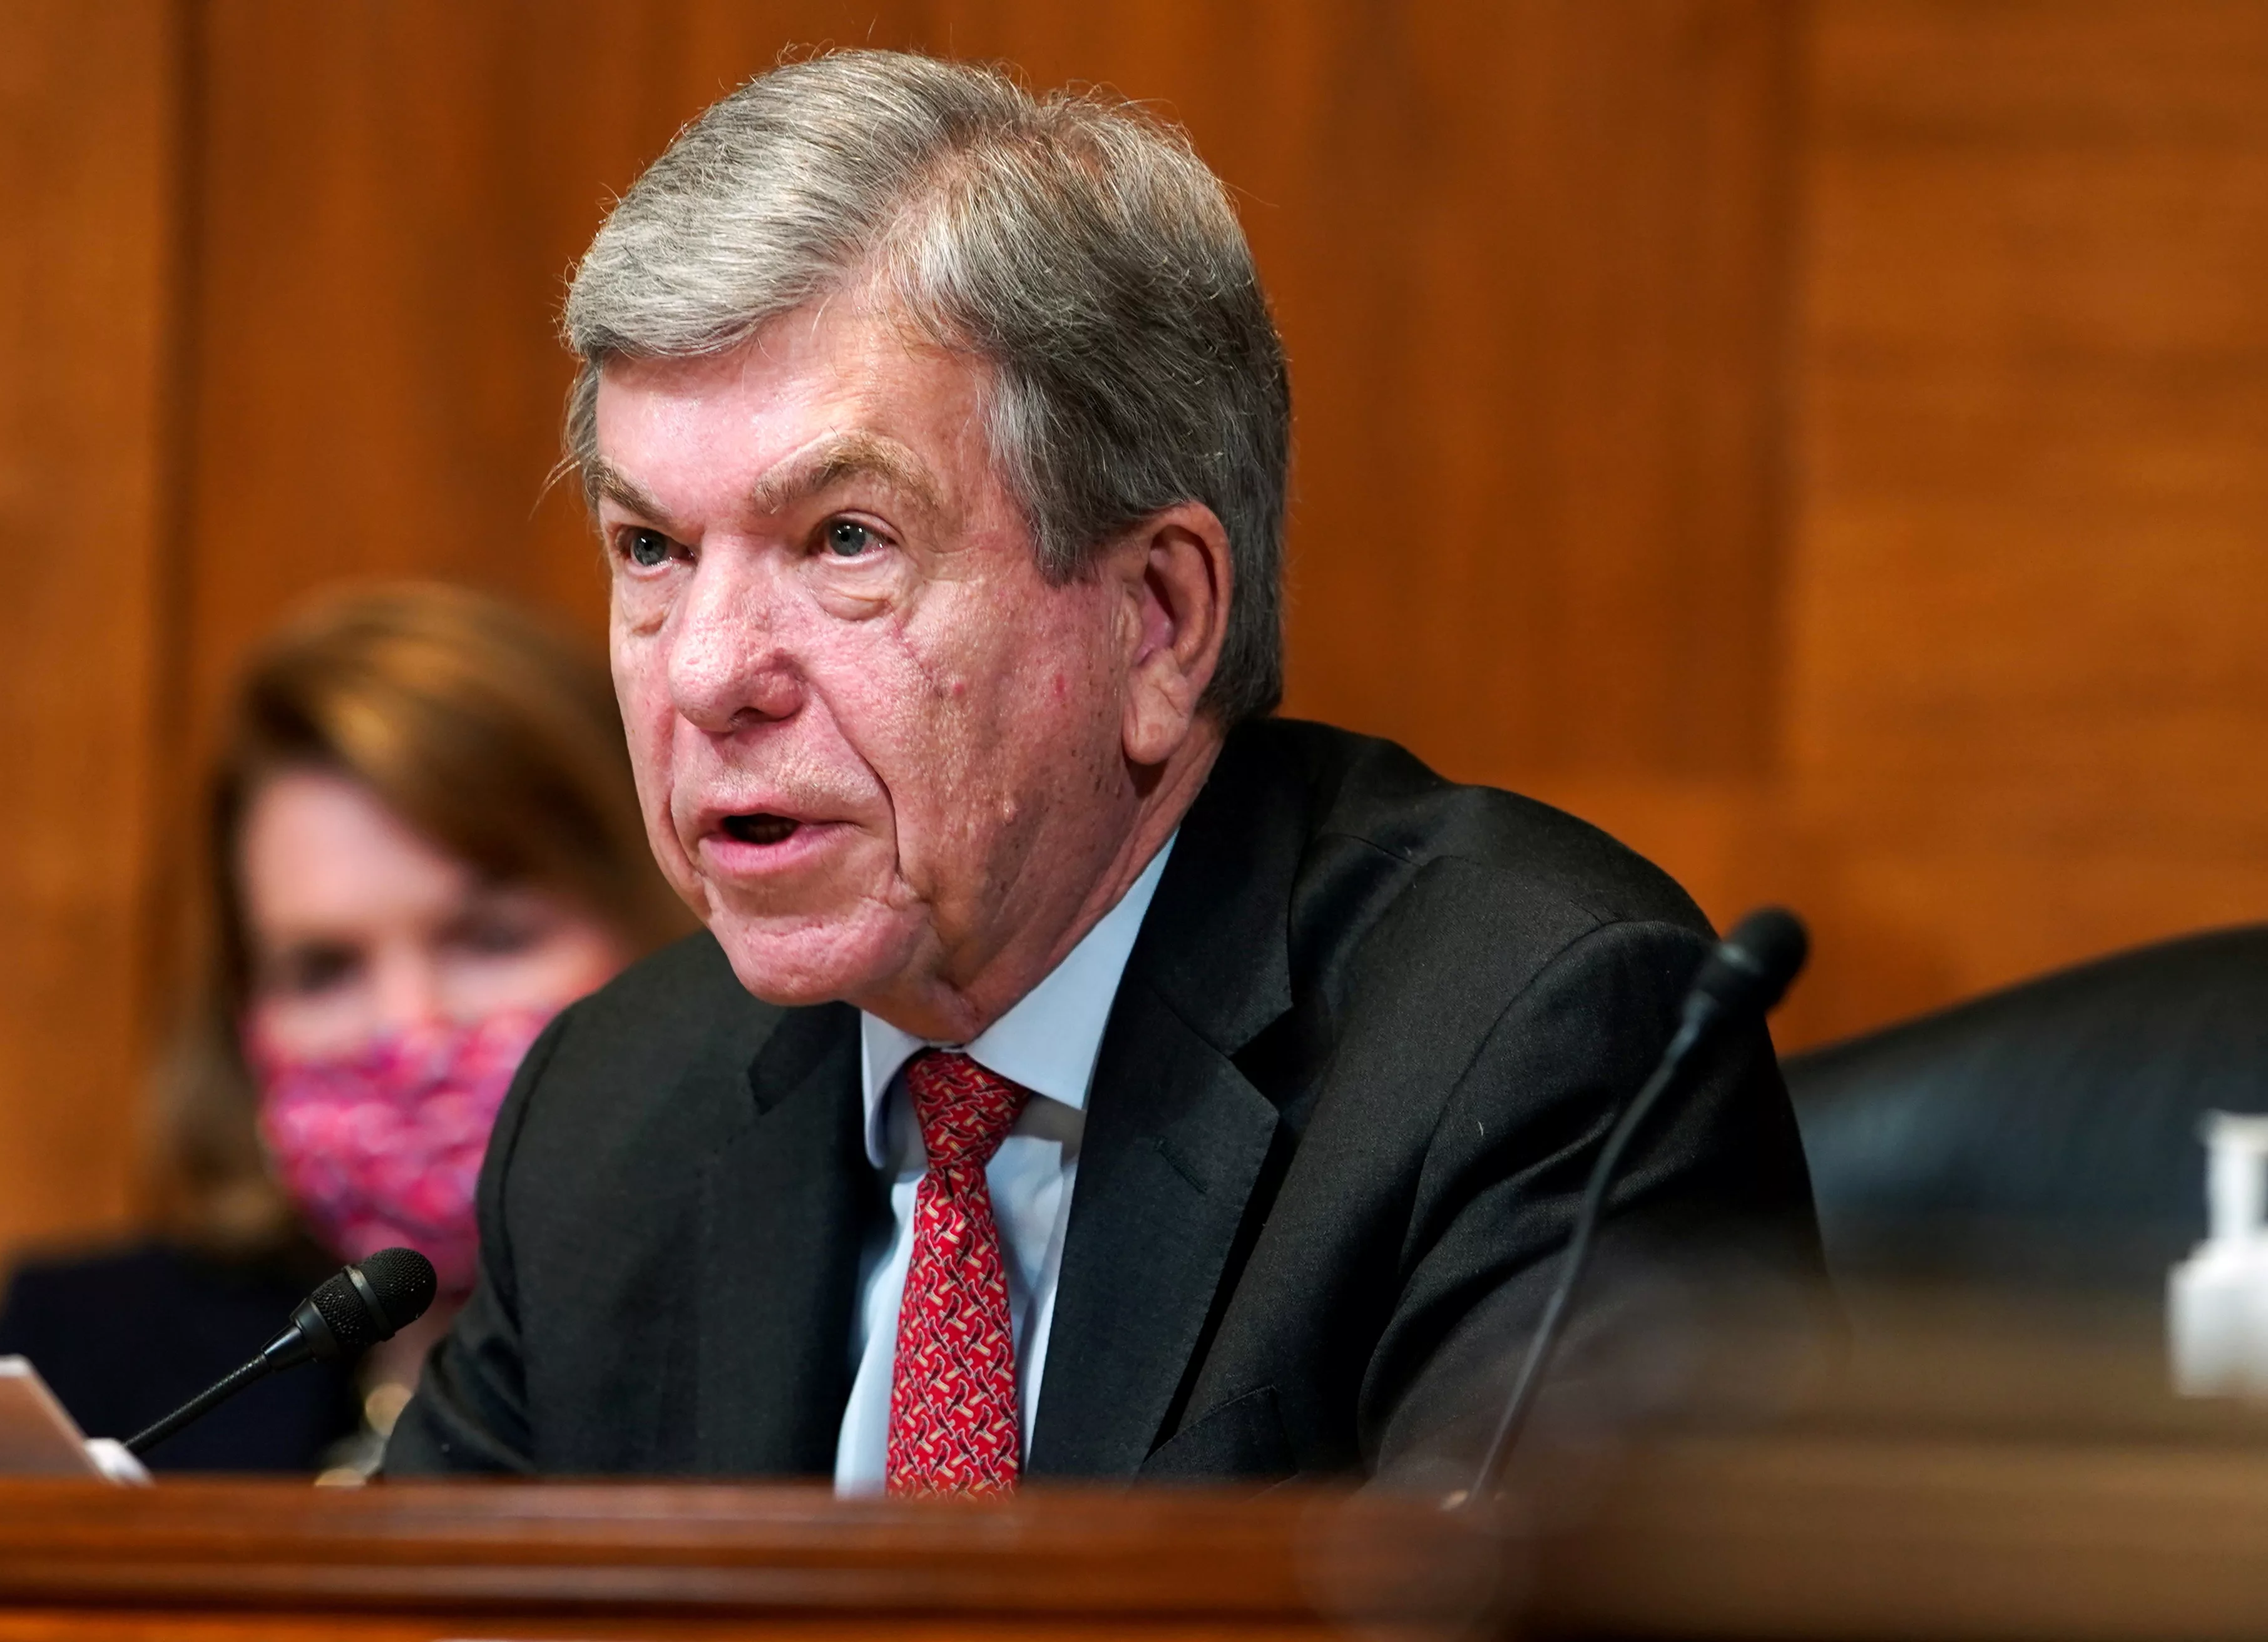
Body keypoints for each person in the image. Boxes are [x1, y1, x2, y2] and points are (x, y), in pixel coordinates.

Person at [386, 51, 1824, 1492]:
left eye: (845, 540)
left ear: (1159, 621)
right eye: (653, 550)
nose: (705, 674)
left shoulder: (1526, 1052)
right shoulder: (615, 1112)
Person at [0, 583, 686, 1473]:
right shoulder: (72, 1366)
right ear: (244, 1014)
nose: (408, 1026)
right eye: (325, 970)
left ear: (660, 919)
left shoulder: (817, 1341)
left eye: (491, 939)